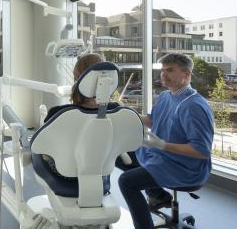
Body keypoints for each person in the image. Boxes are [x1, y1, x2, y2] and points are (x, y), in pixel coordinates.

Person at [117, 53, 214, 229]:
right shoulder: (165, 96)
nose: (163, 74)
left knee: (126, 182)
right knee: (119, 155)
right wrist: (127, 113)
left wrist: (162, 145)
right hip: (161, 155)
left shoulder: (194, 106)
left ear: (186, 75)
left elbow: (201, 151)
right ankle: (157, 194)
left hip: (184, 167)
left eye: (170, 70)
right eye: (162, 70)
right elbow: (154, 120)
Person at [42, 53, 120, 177]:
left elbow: (44, 152)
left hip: (65, 176)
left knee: (38, 155)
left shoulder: (58, 113)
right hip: (102, 174)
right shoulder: (117, 111)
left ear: (77, 80)